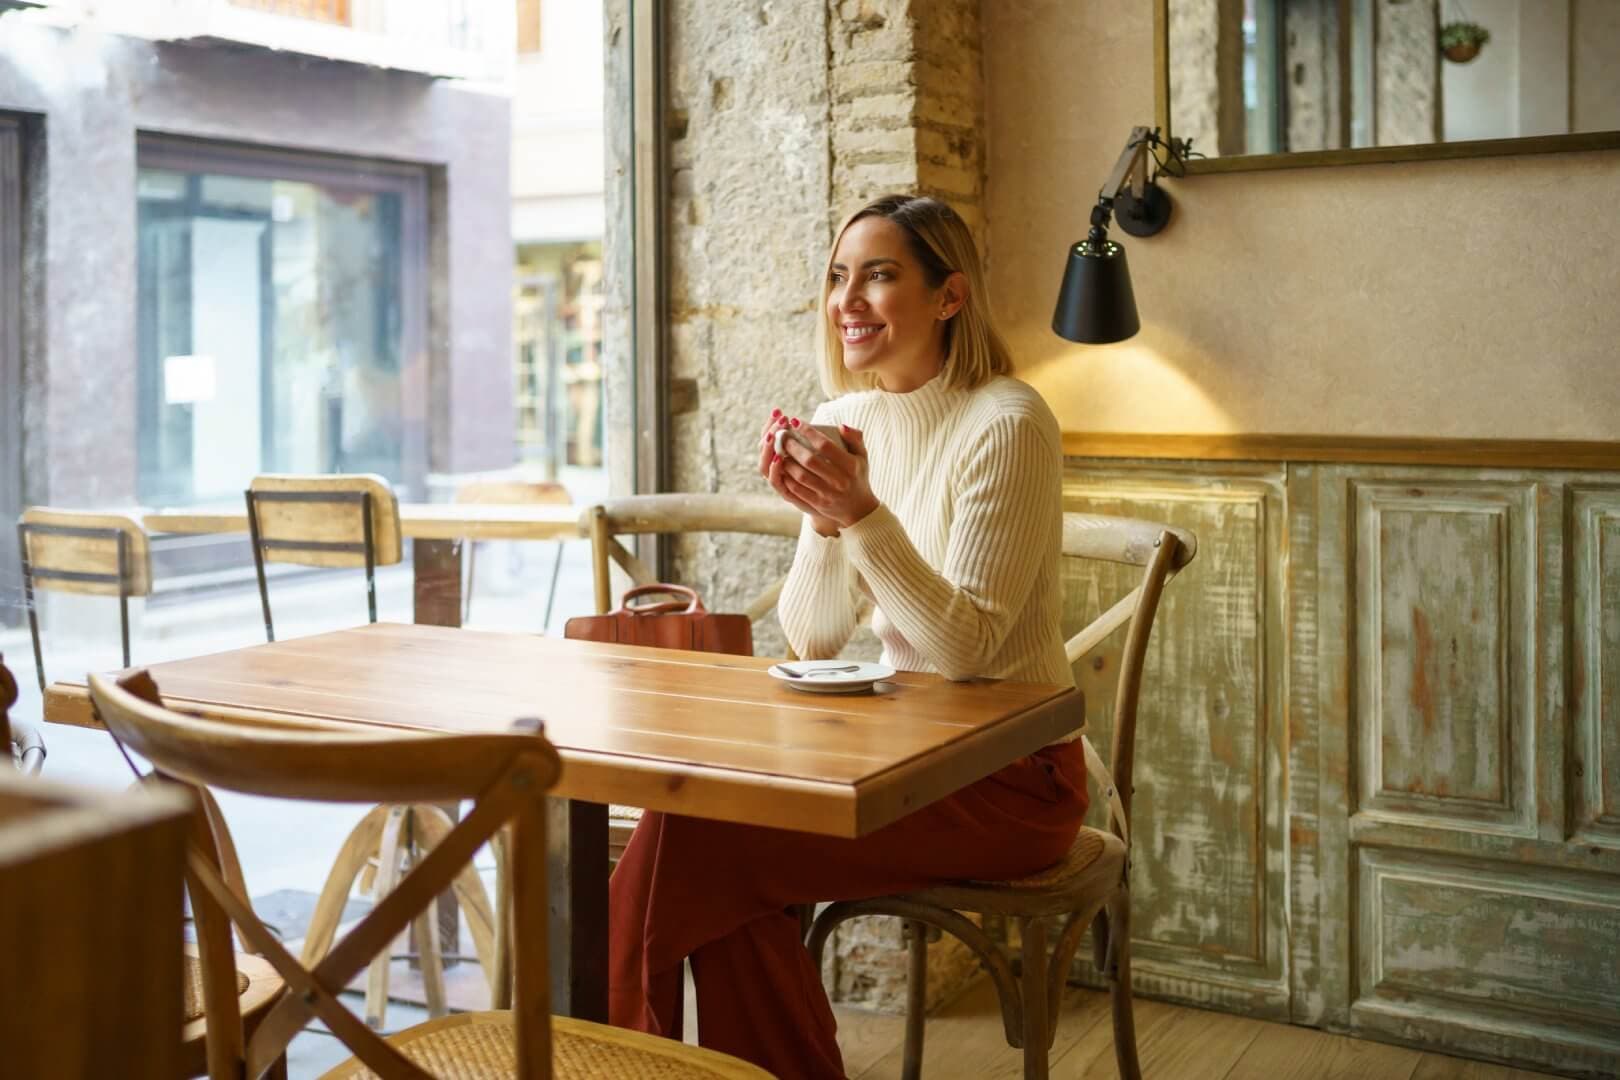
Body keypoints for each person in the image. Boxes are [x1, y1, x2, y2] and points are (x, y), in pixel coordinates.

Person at [608, 194, 1088, 1080]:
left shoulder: (1008, 423)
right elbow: (815, 637)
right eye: (838, 276)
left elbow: (968, 650)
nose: (848, 299)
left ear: (948, 297)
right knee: (710, 850)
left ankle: (613, 1063)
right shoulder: (843, 416)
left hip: (1014, 778)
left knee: (701, 841)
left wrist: (859, 512)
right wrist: (823, 523)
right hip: (896, 752)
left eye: (878, 274)